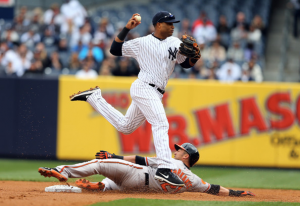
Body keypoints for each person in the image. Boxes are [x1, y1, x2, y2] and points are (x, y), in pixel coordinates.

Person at [69, 11, 202, 186]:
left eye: (173, 23)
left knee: (126, 126)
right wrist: (126, 29)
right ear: (159, 25)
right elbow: (114, 50)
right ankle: (164, 169)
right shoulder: (142, 42)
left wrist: (194, 57)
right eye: (169, 23)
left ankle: (94, 98)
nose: (172, 26)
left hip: (156, 92)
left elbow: (185, 64)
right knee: (161, 123)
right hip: (144, 87)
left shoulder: (175, 42)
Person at [38, 142, 255, 196]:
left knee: (100, 164)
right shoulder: (193, 180)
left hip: (134, 173)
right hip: (136, 189)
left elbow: (141, 159)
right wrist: (237, 193)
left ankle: (63, 171)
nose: (176, 151)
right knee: (114, 184)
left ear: (186, 155)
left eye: (179, 150)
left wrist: (115, 156)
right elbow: (214, 189)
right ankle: (102, 187)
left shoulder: (171, 162)